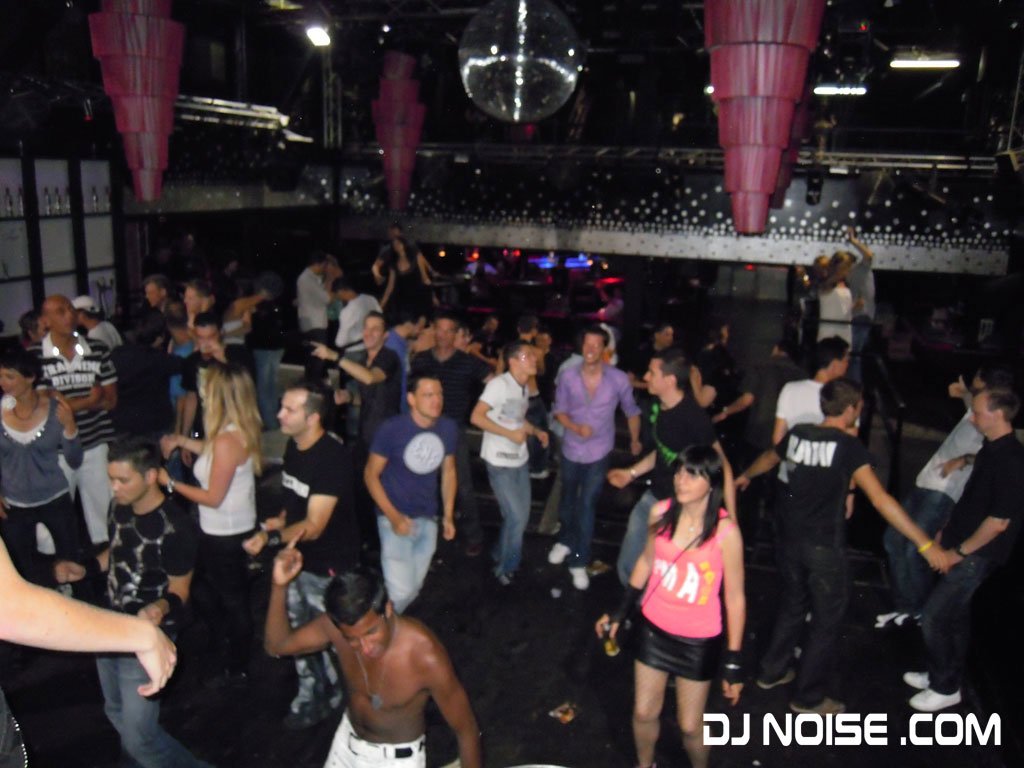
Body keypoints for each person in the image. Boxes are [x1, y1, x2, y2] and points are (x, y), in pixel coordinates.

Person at [735, 378, 950, 715]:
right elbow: (880, 500)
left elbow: (768, 458)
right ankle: (807, 697)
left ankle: (770, 672)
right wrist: (924, 543)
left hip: (788, 539)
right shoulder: (848, 446)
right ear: (850, 409)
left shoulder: (799, 433)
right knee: (826, 619)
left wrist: (745, 475)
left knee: (793, 603)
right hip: (823, 548)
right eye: (859, 406)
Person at [53, 437, 210, 768]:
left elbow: (180, 590)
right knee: (113, 710)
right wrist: (86, 568)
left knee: (139, 738)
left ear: (151, 476)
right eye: (111, 478)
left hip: (144, 637)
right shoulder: (119, 506)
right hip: (109, 626)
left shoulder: (176, 527)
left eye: (123, 480)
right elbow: (117, 551)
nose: (114, 487)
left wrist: (158, 608)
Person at [597, 446, 745, 768]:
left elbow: (735, 598)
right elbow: (646, 561)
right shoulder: (660, 512)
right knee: (643, 711)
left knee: (690, 725)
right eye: (679, 471)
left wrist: (733, 660)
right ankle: (645, 765)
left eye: (692, 474)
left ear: (711, 483)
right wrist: (621, 611)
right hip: (654, 629)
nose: (681, 480)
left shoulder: (726, 534)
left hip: (697, 640)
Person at [264, 560, 482, 768]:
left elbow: (466, 730)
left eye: (371, 632)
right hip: (345, 743)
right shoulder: (333, 628)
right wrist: (278, 586)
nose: (365, 647)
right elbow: (277, 646)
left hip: (396, 761)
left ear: (387, 609)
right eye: (351, 639)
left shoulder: (424, 654)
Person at [0, 537, 177, 766]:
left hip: (126, 635)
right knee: (121, 720)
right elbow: (11, 608)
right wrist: (143, 635)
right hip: (118, 631)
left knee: (136, 736)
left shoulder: (173, 526)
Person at [242, 381, 358, 730]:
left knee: (335, 639)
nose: (279, 414)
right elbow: (295, 501)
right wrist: (280, 520)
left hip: (328, 567)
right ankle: (312, 696)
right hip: (297, 560)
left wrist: (269, 537)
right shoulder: (294, 445)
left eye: (289, 410)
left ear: (312, 418)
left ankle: (349, 702)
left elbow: (315, 525)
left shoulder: (331, 459)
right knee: (295, 631)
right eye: (282, 406)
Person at [903, 386, 1024, 712]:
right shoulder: (991, 448)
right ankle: (942, 675)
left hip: (976, 555)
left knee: (934, 617)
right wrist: (947, 529)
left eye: (978, 412)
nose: (972, 417)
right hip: (961, 543)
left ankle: (945, 687)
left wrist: (958, 553)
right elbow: (972, 498)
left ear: (998, 415)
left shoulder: (1013, 462)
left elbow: (998, 523)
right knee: (954, 616)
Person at [877, 366, 1013, 628]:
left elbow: (994, 454)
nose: (972, 381)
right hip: (927, 482)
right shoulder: (976, 408)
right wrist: (963, 394)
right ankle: (908, 606)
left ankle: (918, 609)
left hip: (944, 492)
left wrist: (963, 460)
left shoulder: (990, 418)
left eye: (977, 378)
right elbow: (971, 405)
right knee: (893, 540)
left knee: (914, 550)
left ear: (985, 385)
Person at [158, 363, 261, 687]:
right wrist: (182, 441)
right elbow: (215, 454)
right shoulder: (231, 431)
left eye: (207, 389)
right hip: (222, 528)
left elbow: (213, 497)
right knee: (209, 588)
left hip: (225, 533)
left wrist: (169, 483)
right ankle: (225, 641)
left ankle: (238, 663)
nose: (202, 394)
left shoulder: (228, 438)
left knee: (231, 598)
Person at [609, 349, 737, 586]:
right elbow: (663, 450)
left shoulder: (693, 417)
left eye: (652, 373)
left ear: (669, 380)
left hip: (680, 507)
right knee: (628, 564)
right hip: (654, 497)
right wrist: (631, 473)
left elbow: (723, 466)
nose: (646, 377)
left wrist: (732, 521)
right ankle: (633, 604)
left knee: (659, 573)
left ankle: (646, 606)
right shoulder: (661, 406)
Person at [549, 326, 642, 590]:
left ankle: (579, 561)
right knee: (568, 500)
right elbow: (559, 410)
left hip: (599, 451)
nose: (591, 349)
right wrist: (575, 427)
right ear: (582, 347)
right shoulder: (568, 376)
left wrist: (635, 439)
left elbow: (632, 410)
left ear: (604, 349)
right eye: (587, 344)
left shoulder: (618, 379)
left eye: (596, 345)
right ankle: (565, 540)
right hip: (571, 448)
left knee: (587, 504)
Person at [365, 375, 458, 613]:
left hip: (428, 516)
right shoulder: (392, 429)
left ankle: (383, 623)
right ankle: (372, 627)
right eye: (428, 395)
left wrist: (448, 515)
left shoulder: (448, 428)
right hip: (394, 517)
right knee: (402, 591)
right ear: (411, 399)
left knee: (413, 588)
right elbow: (370, 475)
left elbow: (449, 471)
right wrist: (394, 517)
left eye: (439, 394)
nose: (436, 400)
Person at [32, 294, 118, 546]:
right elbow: (42, 406)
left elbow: (111, 400)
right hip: (54, 448)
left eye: (70, 309)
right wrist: (89, 401)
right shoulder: (35, 356)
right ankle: (56, 566)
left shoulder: (97, 349)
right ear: (45, 320)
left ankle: (107, 560)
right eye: (60, 311)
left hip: (96, 441)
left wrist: (65, 403)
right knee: (52, 519)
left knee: (104, 511)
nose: (69, 315)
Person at [410, 313, 492, 556]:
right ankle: (424, 532)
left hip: (454, 430)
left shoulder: (467, 361)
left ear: (456, 334)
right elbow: (411, 392)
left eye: (449, 330)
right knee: (422, 481)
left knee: (462, 485)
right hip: (425, 429)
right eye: (439, 329)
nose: (443, 335)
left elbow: (493, 381)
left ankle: (473, 535)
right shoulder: (422, 359)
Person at [0, 348, 83, 587]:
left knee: (70, 562)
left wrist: (70, 427)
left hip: (54, 498)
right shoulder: (1, 410)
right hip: (15, 504)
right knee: (21, 569)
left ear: (30, 377)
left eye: (10, 376)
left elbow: (75, 460)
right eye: (1, 376)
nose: (3, 383)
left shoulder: (56, 409)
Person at [471, 340, 549, 585]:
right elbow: (476, 417)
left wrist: (535, 431)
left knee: (517, 517)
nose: (534, 359)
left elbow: (515, 418)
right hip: (499, 462)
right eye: (528, 355)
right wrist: (509, 435)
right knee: (517, 518)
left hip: (519, 460)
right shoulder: (499, 385)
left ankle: (499, 551)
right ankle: (506, 567)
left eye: (533, 355)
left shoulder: (523, 387)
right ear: (513, 361)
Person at [179, 311, 256, 442]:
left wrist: (221, 357)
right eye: (200, 337)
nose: (205, 342)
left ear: (220, 333)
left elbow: (246, 389)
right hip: (202, 428)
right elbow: (191, 398)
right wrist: (185, 436)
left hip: (233, 427)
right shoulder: (192, 361)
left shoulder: (239, 355)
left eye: (210, 337)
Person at [111, 311, 182, 441]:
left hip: (122, 424)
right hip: (154, 426)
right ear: (159, 338)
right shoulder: (159, 360)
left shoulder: (117, 354)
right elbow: (187, 365)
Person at [297, 250, 341, 382]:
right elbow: (327, 299)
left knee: (313, 360)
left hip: (312, 324)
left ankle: (312, 385)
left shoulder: (310, 278)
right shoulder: (307, 279)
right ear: (320, 264)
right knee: (318, 360)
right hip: (314, 325)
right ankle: (313, 387)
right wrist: (330, 279)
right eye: (325, 265)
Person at [844, 227, 874, 381]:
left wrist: (853, 240)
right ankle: (852, 385)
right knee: (852, 355)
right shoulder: (850, 274)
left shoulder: (861, 268)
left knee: (854, 355)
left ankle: (854, 386)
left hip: (861, 316)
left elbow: (869, 255)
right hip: (858, 316)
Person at [333, 278, 382, 355]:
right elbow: (380, 317)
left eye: (337, 294)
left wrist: (337, 344)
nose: (337, 297)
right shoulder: (370, 298)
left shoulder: (347, 311)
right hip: (374, 345)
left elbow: (340, 342)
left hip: (356, 350)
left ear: (341, 291)